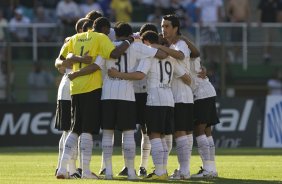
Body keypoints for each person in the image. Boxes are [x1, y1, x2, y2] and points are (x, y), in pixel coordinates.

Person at [56, 17, 134, 179]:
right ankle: (85, 171)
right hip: (91, 87)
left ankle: (62, 169)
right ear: (105, 29)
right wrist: (130, 40)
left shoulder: (75, 38)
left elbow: (61, 60)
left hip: (74, 88)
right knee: (87, 130)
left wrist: (77, 61)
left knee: (74, 128)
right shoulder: (100, 38)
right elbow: (114, 53)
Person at [107, 30, 191, 180]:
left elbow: (140, 75)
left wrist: (118, 74)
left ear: (146, 42)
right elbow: (186, 77)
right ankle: (163, 170)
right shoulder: (170, 58)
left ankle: (159, 172)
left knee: (154, 135)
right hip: (169, 99)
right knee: (163, 136)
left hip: (155, 98)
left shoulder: (149, 55)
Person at [54, 17, 92, 179]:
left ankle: (66, 168)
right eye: (90, 29)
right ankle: (71, 169)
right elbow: (59, 63)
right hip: (70, 88)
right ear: (81, 30)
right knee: (70, 130)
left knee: (70, 130)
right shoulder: (72, 42)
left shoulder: (76, 42)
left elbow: (58, 63)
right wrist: (77, 60)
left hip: (72, 87)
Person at [189, 57, 220, 178]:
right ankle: (212, 169)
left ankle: (207, 169)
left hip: (201, 95)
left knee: (199, 130)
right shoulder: (194, 59)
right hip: (209, 91)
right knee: (207, 131)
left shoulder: (184, 56)